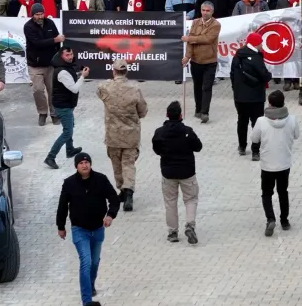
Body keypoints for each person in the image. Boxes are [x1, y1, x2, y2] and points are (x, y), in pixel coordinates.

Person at [56, 151, 118, 306]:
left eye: (87, 162)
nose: (84, 165)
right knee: (86, 261)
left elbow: (114, 199)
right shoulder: (69, 183)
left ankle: (90, 285)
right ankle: (87, 301)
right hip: (79, 230)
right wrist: (61, 226)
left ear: (90, 164)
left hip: (97, 229)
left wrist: (110, 215)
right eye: (81, 163)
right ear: (76, 166)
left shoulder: (101, 180)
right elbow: (62, 206)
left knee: (95, 262)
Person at [97, 58, 148, 212]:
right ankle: (129, 191)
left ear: (113, 71)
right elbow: (143, 111)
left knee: (117, 165)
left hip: (113, 135)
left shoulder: (105, 87)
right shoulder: (135, 89)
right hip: (131, 135)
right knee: (128, 164)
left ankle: (122, 190)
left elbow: (98, 91)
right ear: (126, 71)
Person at [251, 89, 300, 236]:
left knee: (266, 193)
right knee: (283, 192)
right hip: (284, 163)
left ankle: (270, 218)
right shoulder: (292, 119)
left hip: (267, 164)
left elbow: (254, 139)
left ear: (270, 104)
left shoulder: (261, 121)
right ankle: (284, 220)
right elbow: (297, 135)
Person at [152, 100, 202, 245]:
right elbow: (198, 147)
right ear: (181, 115)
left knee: (170, 202)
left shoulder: (159, 132)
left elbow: (156, 150)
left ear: (167, 115)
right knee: (191, 199)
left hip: (168, 172)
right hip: (187, 172)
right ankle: (190, 225)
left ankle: (173, 232)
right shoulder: (188, 131)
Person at [45, 44, 89, 168]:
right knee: (67, 132)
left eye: (71, 54)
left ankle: (70, 149)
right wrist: (83, 77)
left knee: (70, 126)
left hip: (67, 104)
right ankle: (50, 157)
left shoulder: (66, 66)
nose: (70, 57)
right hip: (63, 106)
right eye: (67, 55)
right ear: (61, 56)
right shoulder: (62, 72)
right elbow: (74, 89)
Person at [231, 30, 270, 158]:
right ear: (256, 43)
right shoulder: (256, 58)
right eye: (261, 43)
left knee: (242, 121)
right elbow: (264, 75)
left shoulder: (237, 55)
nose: (262, 45)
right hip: (255, 97)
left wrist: (236, 90)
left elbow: (232, 75)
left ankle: (242, 146)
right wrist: (269, 75)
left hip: (239, 97)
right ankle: (255, 151)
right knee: (256, 123)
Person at [24, 2, 63, 125]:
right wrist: (54, 40)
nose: (40, 16)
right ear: (32, 15)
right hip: (35, 65)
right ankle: (42, 112)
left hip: (50, 64)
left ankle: (54, 114)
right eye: (37, 14)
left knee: (53, 90)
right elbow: (37, 43)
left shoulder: (50, 23)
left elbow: (57, 40)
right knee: (38, 90)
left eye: (41, 14)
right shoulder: (28, 27)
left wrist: (58, 56)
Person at [183, 1, 220, 123]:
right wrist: (187, 57)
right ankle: (198, 109)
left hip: (210, 61)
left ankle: (205, 112)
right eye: (203, 10)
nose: (205, 13)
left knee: (207, 87)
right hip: (196, 61)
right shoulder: (195, 22)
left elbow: (207, 39)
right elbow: (190, 44)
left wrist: (190, 38)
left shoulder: (216, 24)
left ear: (212, 12)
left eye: (207, 10)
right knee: (197, 87)